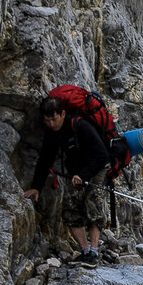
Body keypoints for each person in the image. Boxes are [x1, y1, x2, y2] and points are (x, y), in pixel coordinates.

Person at [23, 96, 112, 267]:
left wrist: (84, 175)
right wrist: (36, 187)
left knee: (93, 207)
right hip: (77, 173)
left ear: (63, 114)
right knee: (70, 210)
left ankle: (94, 252)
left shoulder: (80, 125)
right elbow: (45, 159)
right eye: (47, 120)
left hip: (96, 168)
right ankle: (85, 252)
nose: (51, 124)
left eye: (54, 119)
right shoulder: (52, 133)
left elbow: (102, 155)